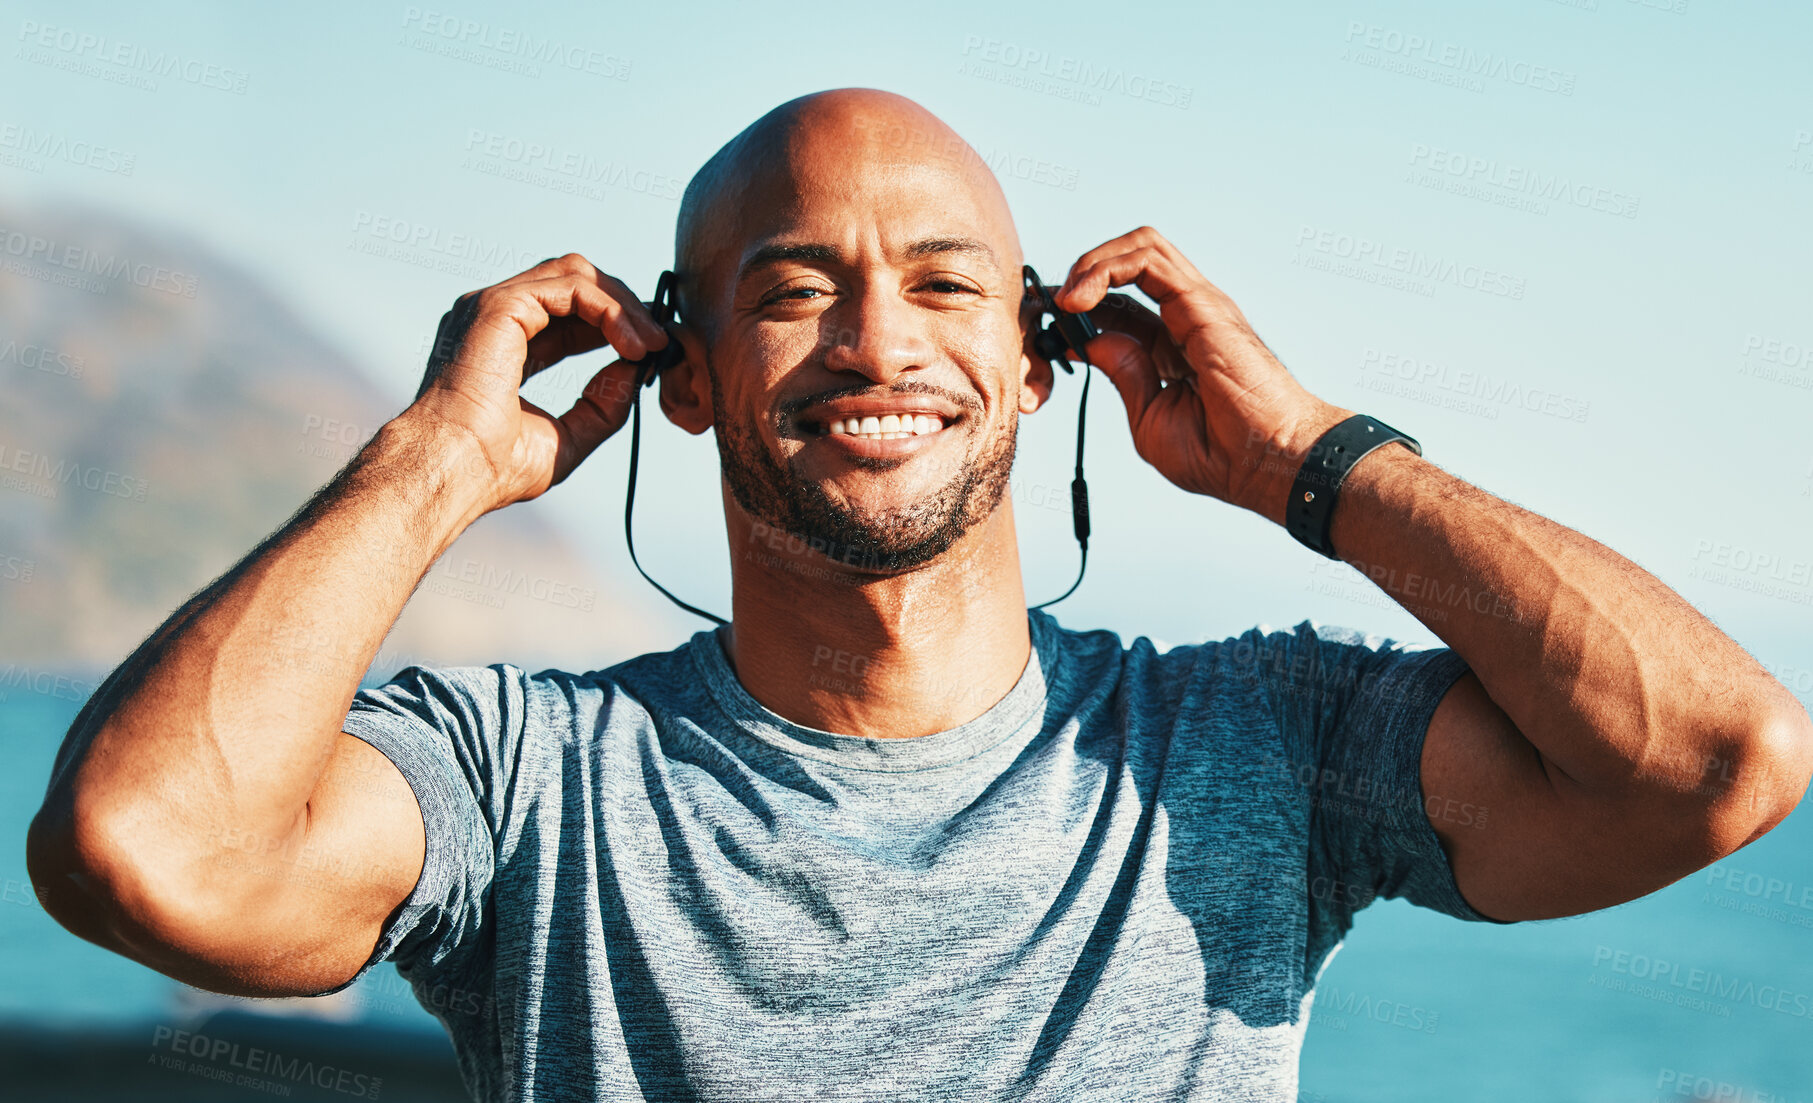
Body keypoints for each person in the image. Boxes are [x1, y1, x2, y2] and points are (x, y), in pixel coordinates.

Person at [26, 88, 1813, 1101]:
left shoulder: (1255, 742)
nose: (881, 339)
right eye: (797, 286)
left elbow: (1717, 760)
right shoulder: (528, 782)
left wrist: (1308, 463)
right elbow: (141, 854)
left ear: (1041, 365)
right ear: (689, 370)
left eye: (947, 287)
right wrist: (436, 461)